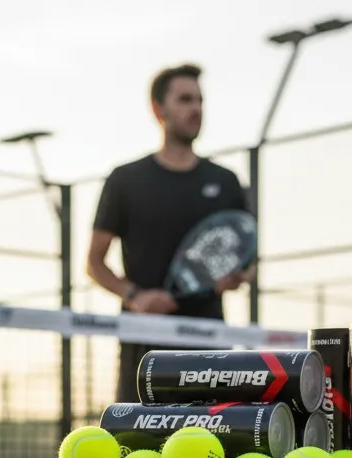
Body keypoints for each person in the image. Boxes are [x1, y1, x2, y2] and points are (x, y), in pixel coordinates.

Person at [86, 63, 255, 402]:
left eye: (200, 101)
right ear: (158, 109)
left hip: (208, 339)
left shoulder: (225, 181)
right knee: (139, 444)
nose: (196, 109)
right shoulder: (125, 180)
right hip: (144, 340)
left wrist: (236, 277)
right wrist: (135, 297)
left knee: (212, 443)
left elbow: (247, 260)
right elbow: (94, 263)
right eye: (185, 100)